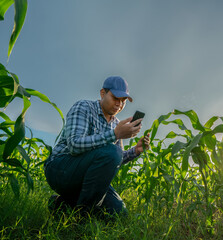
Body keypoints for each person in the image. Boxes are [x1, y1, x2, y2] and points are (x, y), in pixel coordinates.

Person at [44, 76, 150, 217]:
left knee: (119, 213)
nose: (119, 104)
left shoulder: (115, 124)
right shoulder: (83, 107)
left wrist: (135, 151)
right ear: (102, 93)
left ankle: (60, 204)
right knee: (112, 152)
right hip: (60, 170)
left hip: (86, 177)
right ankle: (81, 217)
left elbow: (114, 160)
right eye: (115, 98)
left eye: (123, 101)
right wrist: (115, 134)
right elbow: (74, 145)